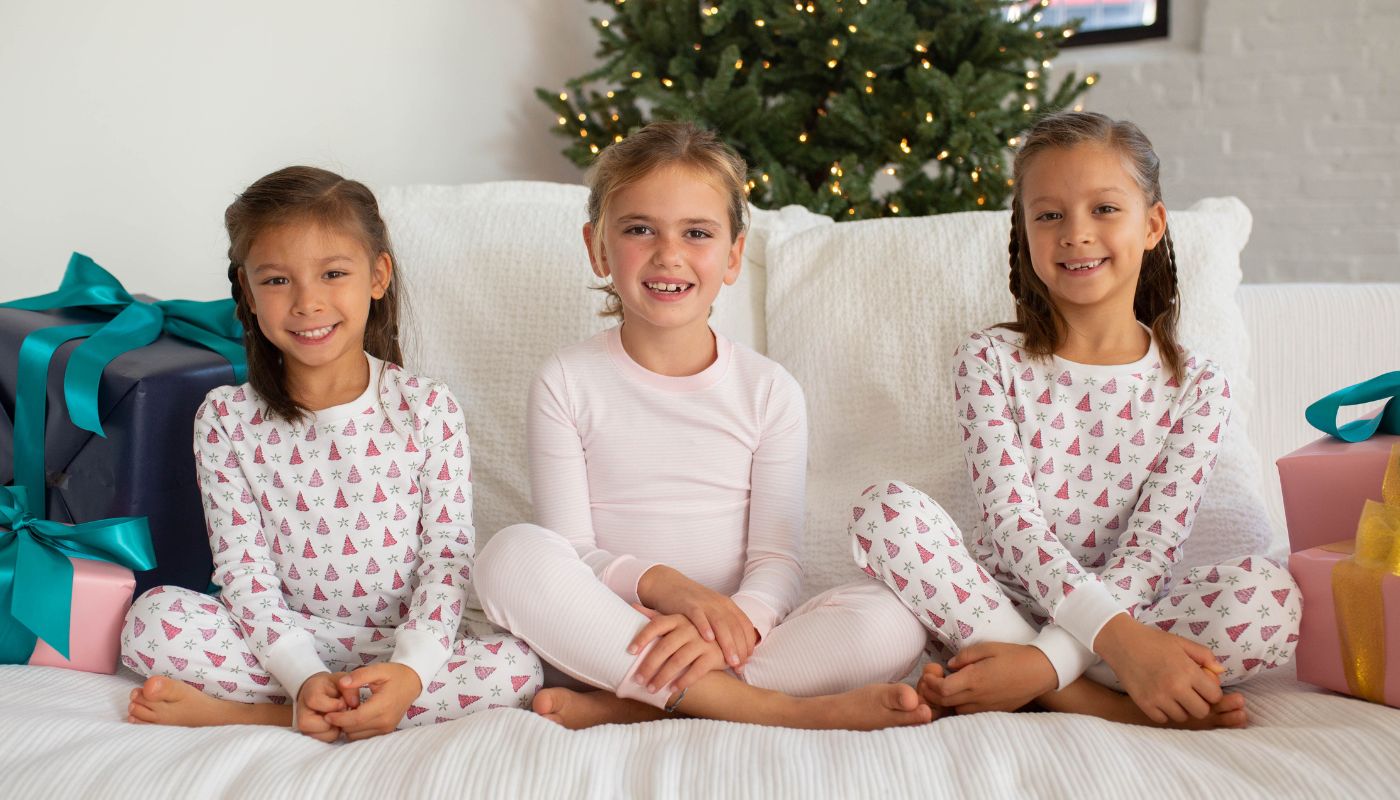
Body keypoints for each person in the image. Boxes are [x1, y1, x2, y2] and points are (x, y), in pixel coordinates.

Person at [473, 121, 932, 731]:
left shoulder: (768, 391)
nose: (669, 254)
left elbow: (776, 560)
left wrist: (727, 632)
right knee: (509, 555)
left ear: (735, 254)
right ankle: (765, 709)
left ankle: (641, 703)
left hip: (735, 643)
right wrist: (670, 589)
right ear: (598, 248)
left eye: (697, 233)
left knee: (893, 619)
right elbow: (572, 552)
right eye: (640, 229)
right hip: (610, 637)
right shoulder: (566, 380)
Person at [853, 111, 1300, 729]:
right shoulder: (988, 360)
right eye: (1050, 214)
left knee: (1272, 601)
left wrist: (1049, 662)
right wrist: (1105, 650)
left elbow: (1150, 552)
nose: (1075, 233)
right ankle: (1104, 702)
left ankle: (1024, 679)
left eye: (1105, 210)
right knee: (885, 511)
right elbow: (1014, 528)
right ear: (1025, 232)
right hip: (1004, 610)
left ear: (1153, 224)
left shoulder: (1198, 386)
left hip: (1134, 612)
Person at [121, 166, 541, 741]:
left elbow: (448, 556)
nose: (307, 302)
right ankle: (306, 706)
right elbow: (243, 571)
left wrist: (410, 670)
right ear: (246, 289)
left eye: (333, 273)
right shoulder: (225, 418)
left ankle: (272, 714)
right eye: (276, 281)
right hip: (284, 639)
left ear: (377, 276)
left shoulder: (426, 407)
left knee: (515, 668)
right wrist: (300, 673)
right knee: (152, 624)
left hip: (397, 644)